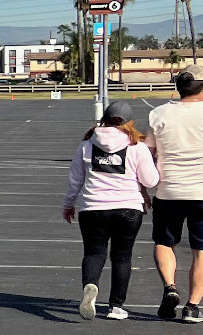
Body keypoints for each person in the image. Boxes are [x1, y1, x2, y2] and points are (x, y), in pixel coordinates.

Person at [146, 72, 203, 323]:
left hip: (169, 189)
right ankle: (192, 307)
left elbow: (147, 155)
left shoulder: (158, 114)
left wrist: (142, 190)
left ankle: (170, 287)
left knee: (164, 242)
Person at [63, 101, 158, 319]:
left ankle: (90, 286)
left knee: (94, 253)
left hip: (93, 208)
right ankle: (116, 306)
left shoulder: (87, 145)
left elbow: (75, 180)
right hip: (128, 209)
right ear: (128, 122)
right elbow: (150, 181)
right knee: (122, 257)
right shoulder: (136, 146)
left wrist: (68, 204)